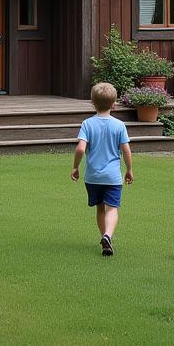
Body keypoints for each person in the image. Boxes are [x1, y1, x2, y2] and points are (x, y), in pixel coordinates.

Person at [70, 82, 133, 256]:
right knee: (112, 208)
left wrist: (75, 167)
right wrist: (129, 170)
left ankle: (104, 239)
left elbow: (81, 148)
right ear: (114, 104)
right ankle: (108, 235)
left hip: (92, 177)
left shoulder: (87, 124)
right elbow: (126, 150)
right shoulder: (119, 125)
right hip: (112, 177)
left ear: (92, 103)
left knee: (100, 208)